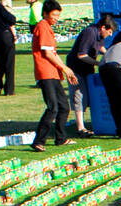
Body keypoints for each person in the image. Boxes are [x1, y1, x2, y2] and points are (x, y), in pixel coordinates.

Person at [31, 0, 74, 150]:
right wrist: (65, 68)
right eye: (53, 15)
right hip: (45, 73)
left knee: (63, 106)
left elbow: (54, 53)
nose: (56, 18)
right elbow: (48, 53)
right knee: (53, 107)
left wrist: (65, 69)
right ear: (45, 14)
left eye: (57, 15)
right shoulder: (42, 27)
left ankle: (60, 138)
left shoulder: (48, 27)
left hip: (54, 73)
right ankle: (38, 141)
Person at [65, 12, 113, 137]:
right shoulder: (90, 32)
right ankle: (81, 128)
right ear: (103, 28)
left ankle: (94, 123)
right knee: (79, 95)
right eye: (109, 32)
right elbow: (81, 55)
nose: (110, 34)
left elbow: (101, 47)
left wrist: (110, 57)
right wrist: (98, 63)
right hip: (76, 68)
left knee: (91, 95)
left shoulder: (99, 35)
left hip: (87, 69)